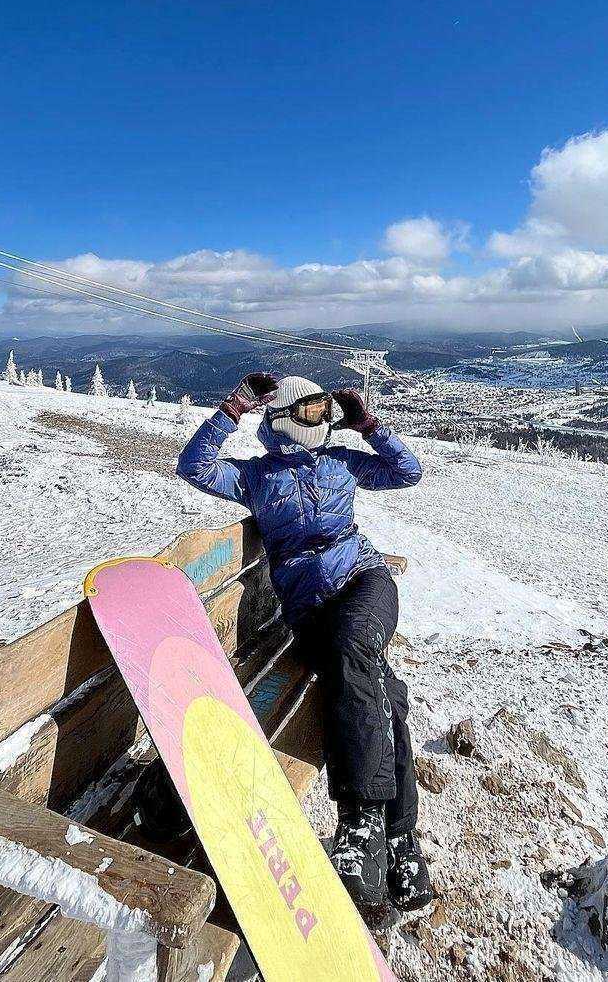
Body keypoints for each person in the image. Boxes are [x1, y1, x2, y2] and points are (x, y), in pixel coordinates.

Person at [177, 372, 434, 917]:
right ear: (284, 419)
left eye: (327, 409)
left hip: (366, 581)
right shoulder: (256, 476)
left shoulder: (341, 461)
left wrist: (368, 426)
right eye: (313, 410)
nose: (324, 419)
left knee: (351, 650)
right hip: (310, 608)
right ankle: (401, 841)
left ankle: (361, 821)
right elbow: (194, 465)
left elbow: (406, 471)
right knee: (386, 693)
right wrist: (233, 408)